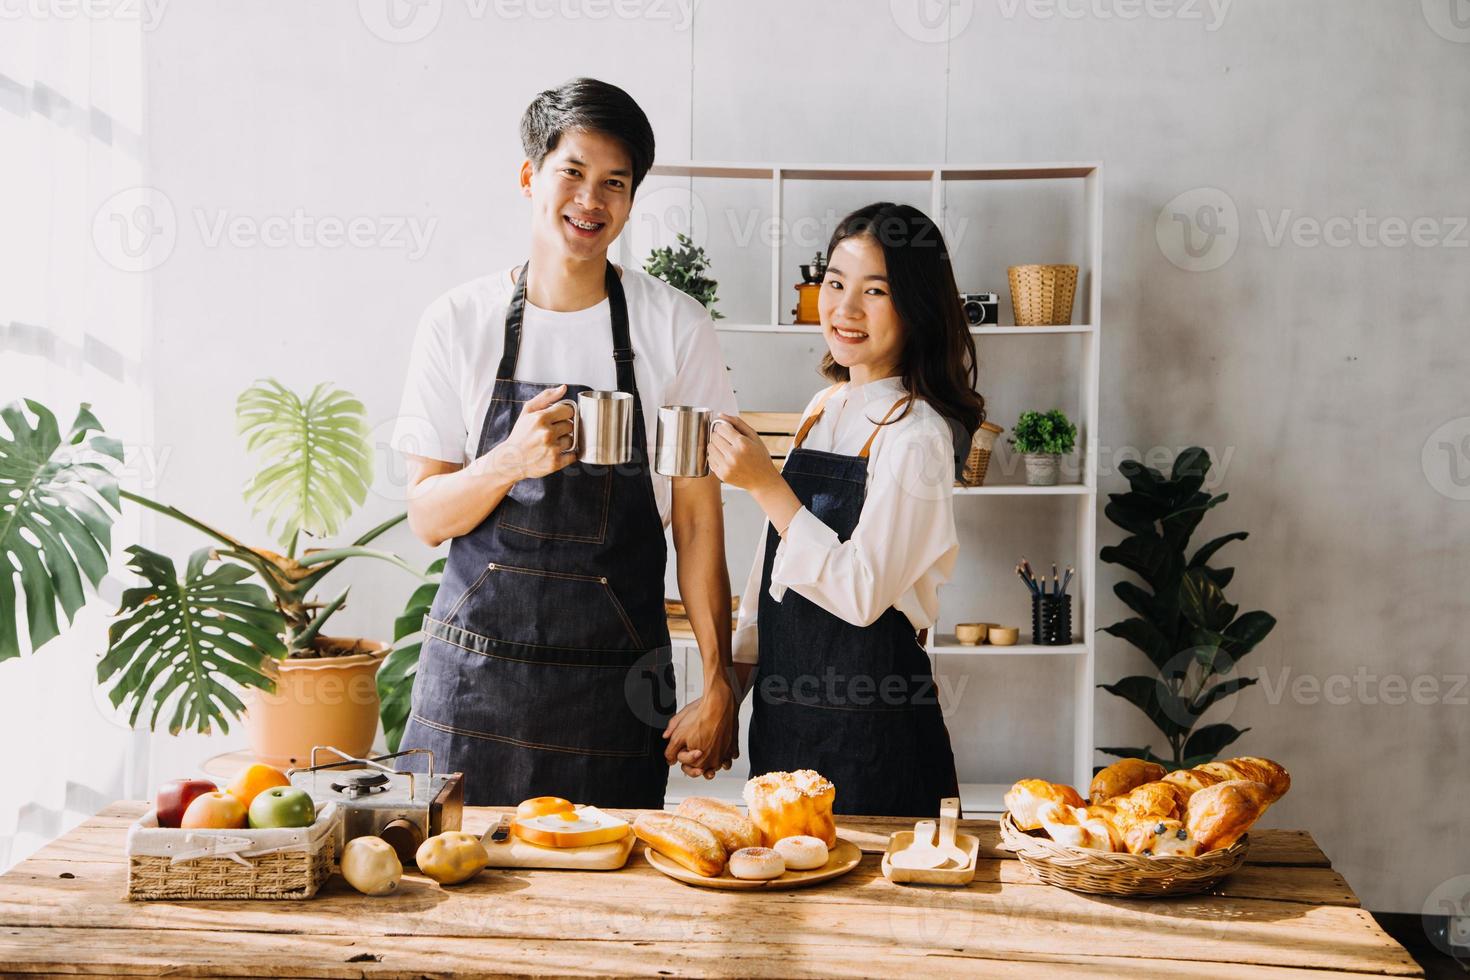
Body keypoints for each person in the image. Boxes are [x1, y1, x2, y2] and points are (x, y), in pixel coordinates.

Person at [391, 78, 738, 807]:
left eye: (615, 183)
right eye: (573, 173)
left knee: (613, 908)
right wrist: (508, 461)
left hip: (613, 693)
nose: (592, 200)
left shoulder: (673, 329)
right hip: (472, 687)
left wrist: (718, 679)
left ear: (632, 199)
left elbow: (699, 519)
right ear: (529, 177)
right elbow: (427, 517)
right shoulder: (458, 322)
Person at [668, 202, 984, 817]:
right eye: (835, 284)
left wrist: (764, 485)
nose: (845, 309)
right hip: (785, 723)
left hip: (875, 732)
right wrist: (726, 693)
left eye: (875, 291)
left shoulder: (917, 433)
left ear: (916, 307)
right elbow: (771, 581)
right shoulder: (822, 407)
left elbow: (863, 592)